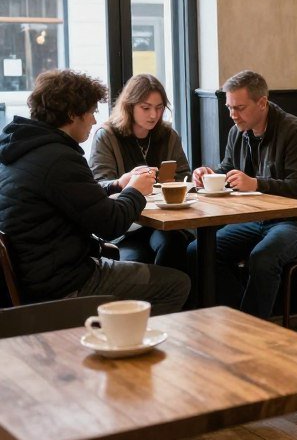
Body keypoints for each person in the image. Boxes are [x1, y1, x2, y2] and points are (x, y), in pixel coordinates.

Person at [0, 69, 189, 314]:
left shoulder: (23, 149)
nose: (93, 120)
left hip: (36, 278)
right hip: (64, 284)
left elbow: (74, 195)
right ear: (72, 114)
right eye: (91, 112)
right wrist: (135, 190)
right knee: (177, 284)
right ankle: (125, 336)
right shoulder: (60, 158)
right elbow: (111, 225)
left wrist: (116, 184)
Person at [188, 70, 297, 319]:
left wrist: (255, 184)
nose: (233, 115)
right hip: (255, 218)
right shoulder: (237, 131)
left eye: (239, 108)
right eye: (229, 107)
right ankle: (238, 319)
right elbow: (227, 169)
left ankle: (251, 331)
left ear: (262, 103)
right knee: (198, 251)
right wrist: (207, 175)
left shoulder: (295, 131)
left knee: (263, 259)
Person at [89, 73, 193, 270]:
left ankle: (172, 289)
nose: (153, 115)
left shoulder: (169, 135)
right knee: (134, 260)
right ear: (129, 106)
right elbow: (99, 186)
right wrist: (124, 182)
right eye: (146, 108)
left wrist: (175, 183)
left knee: (175, 244)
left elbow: (184, 177)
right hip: (127, 226)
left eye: (159, 108)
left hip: (164, 221)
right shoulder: (107, 136)